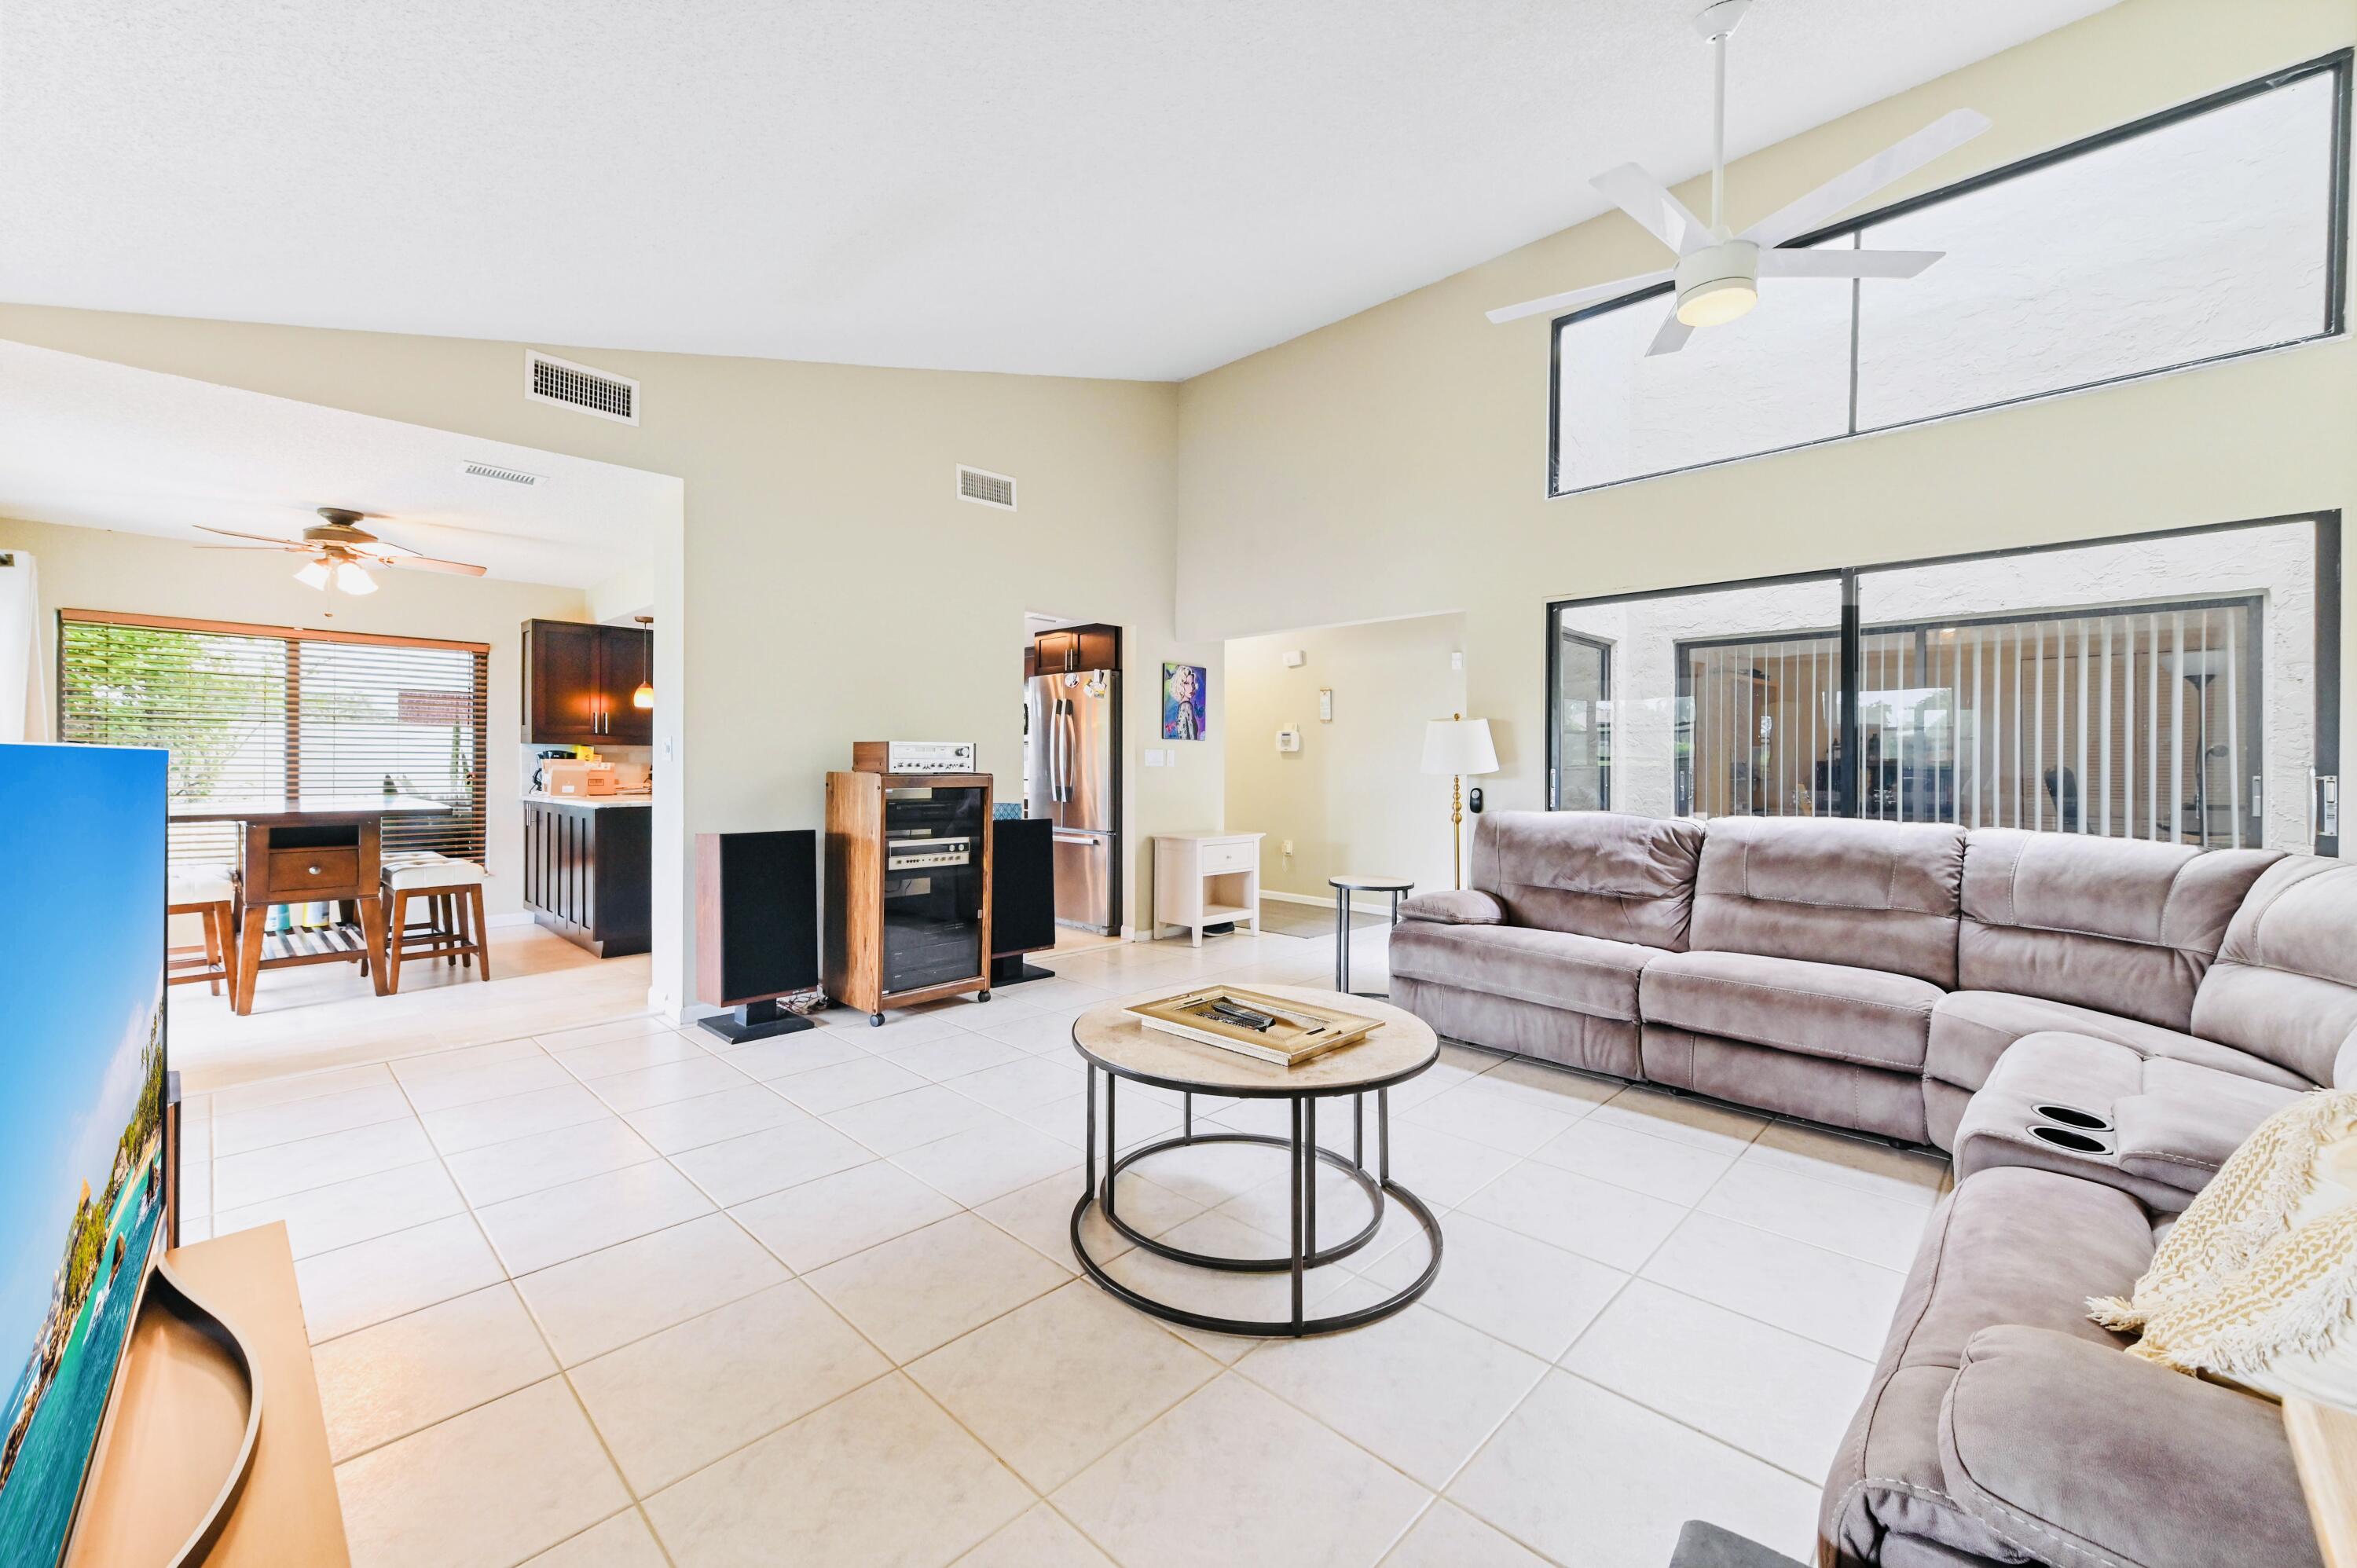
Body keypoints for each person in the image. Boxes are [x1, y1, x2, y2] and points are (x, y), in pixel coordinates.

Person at [1168, 665, 1201, 740]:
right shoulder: (1187, 706)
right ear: (1180, 685)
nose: (1192, 688)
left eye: (1192, 683)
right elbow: (1192, 740)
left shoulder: (1182, 706)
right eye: (1187, 683)